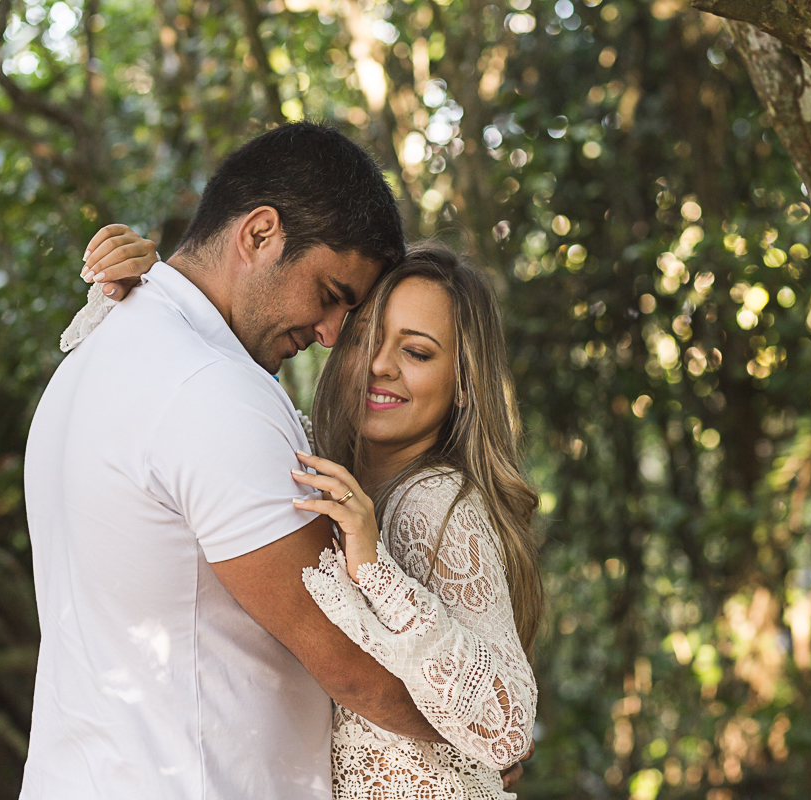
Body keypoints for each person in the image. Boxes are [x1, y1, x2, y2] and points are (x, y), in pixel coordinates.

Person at [21, 121, 439, 800]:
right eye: (331, 294)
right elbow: (347, 661)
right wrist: (476, 733)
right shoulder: (212, 389)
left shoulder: (101, 348)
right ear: (259, 233)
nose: (332, 336)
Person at [77, 237, 542, 798]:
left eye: (416, 353)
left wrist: (375, 569)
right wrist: (150, 285)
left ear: (465, 383)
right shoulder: (320, 466)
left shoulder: (437, 504)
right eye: (367, 337)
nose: (380, 365)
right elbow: (218, 400)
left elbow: (507, 728)